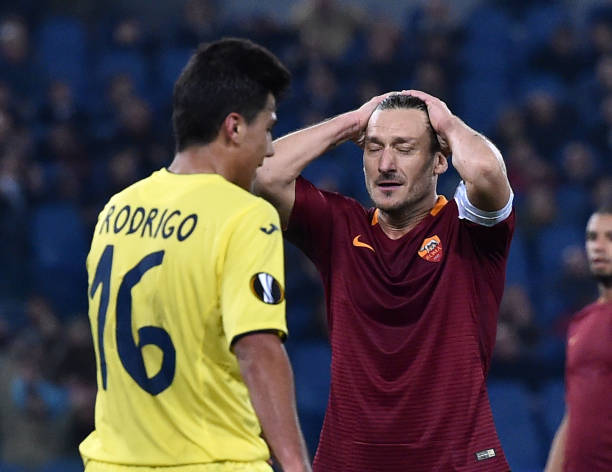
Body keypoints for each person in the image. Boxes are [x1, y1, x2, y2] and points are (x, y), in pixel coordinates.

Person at [79, 38, 311, 472]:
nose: (272, 148)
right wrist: (297, 464)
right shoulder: (245, 217)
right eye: (270, 128)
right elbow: (257, 350)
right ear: (235, 127)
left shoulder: (116, 210)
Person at [255, 91, 514, 470]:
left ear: (440, 160)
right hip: (350, 461)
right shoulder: (340, 227)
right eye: (374, 149)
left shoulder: (469, 230)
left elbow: (488, 172)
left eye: (405, 149)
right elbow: (264, 175)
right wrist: (353, 122)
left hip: (457, 462)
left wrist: (446, 121)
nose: (386, 165)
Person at [544, 205, 612, 472]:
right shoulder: (580, 323)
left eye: (610, 237)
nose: (598, 246)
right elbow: (572, 414)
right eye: (592, 238)